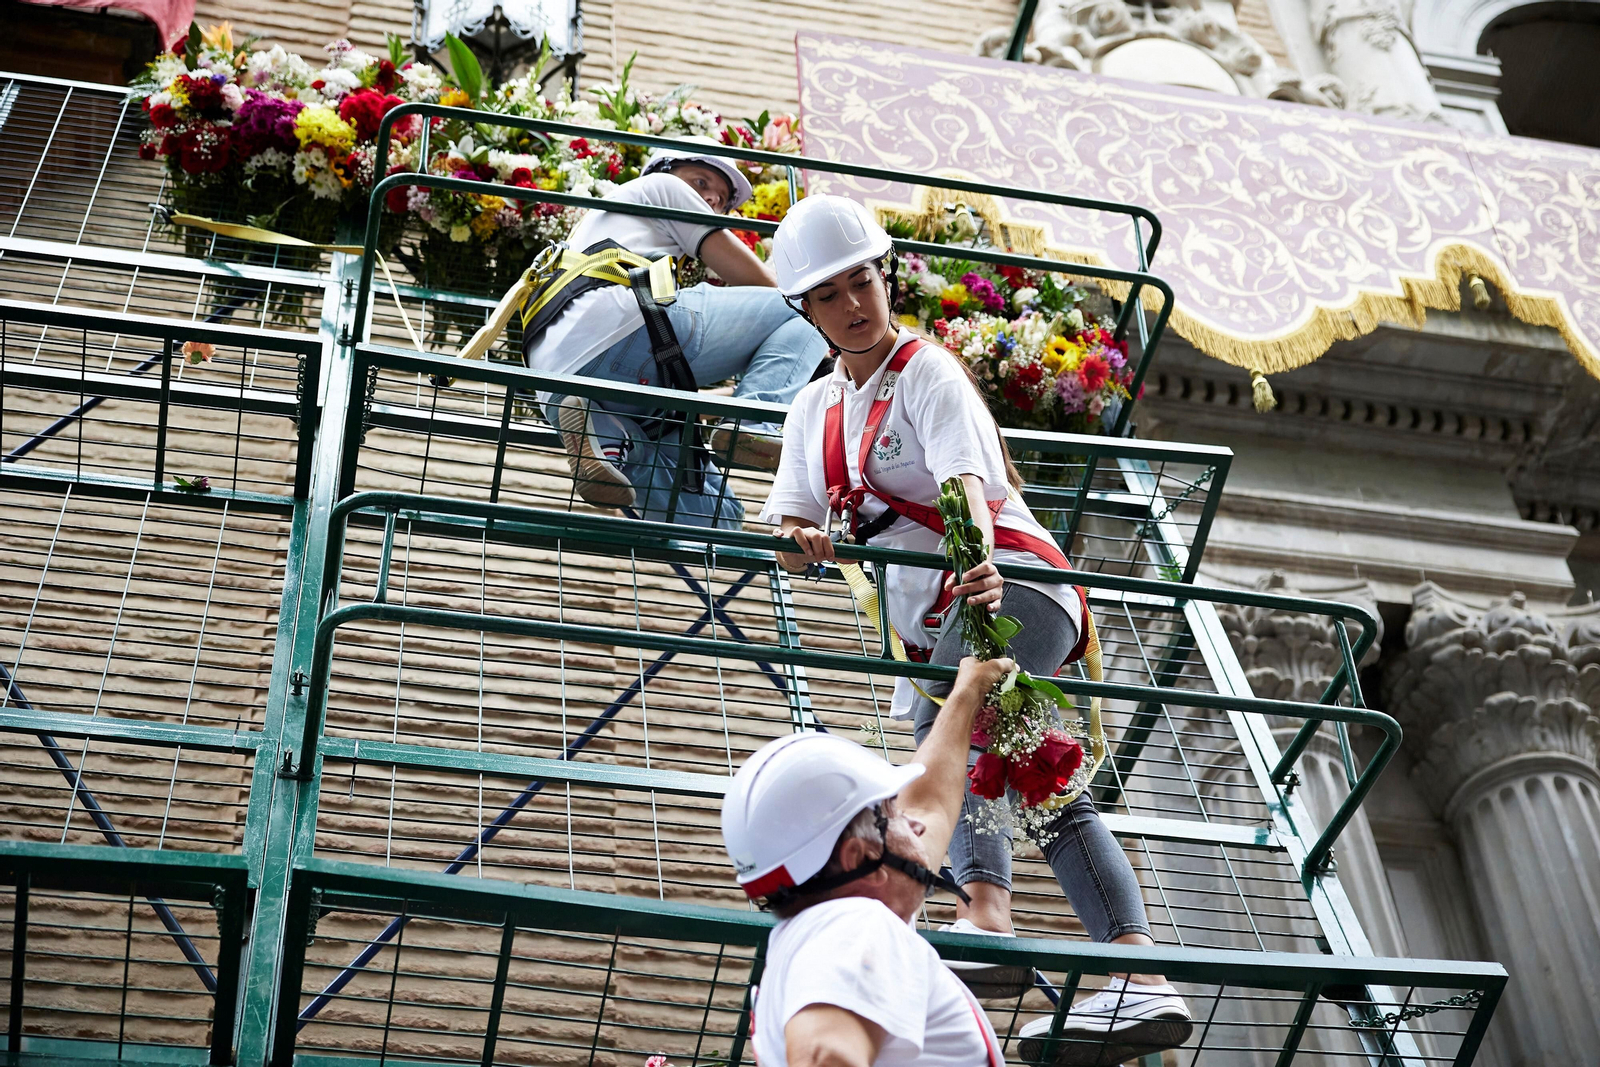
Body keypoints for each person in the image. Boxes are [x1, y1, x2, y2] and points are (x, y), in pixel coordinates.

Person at [754, 194, 1192, 1062]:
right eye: (831, 294)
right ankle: (1140, 972)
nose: (855, 302)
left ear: (884, 281)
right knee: (1035, 775)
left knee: (942, 736)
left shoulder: (927, 371)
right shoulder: (814, 412)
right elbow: (789, 527)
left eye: (865, 280)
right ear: (806, 311)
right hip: (947, 620)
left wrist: (977, 564)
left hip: (1010, 584)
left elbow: (962, 487)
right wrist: (800, 543)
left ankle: (984, 906)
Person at [722, 656, 1016, 1067]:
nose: (914, 825)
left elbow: (928, 801)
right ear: (860, 857)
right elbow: (824, 1057)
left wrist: (969, 689)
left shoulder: (826, 931)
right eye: (893, 814)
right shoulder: (854, 925)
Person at [524, 142, 828, 528]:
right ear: (666, 172)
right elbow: (764, 286)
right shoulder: (661, 189)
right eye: (701, 182)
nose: (708, 199)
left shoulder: (600, 229)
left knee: (721, 521)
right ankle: (752, 424)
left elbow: (690, 399)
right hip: (622, 325)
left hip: (558, 383)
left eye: (719, 201)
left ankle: (607, 435)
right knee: (813, 312)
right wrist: (820, 352)